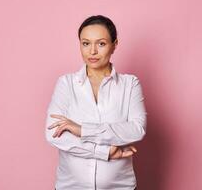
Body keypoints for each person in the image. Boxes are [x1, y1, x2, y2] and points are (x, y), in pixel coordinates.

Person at [45, 15, 147, 190]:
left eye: (101, 43)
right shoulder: (66, 83)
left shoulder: (130, 84)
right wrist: (104, 152)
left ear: (115, 44)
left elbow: (137, 130)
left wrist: (82, 130)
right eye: (85, 43)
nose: (92, 51)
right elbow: (54, 133)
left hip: (120, 187)